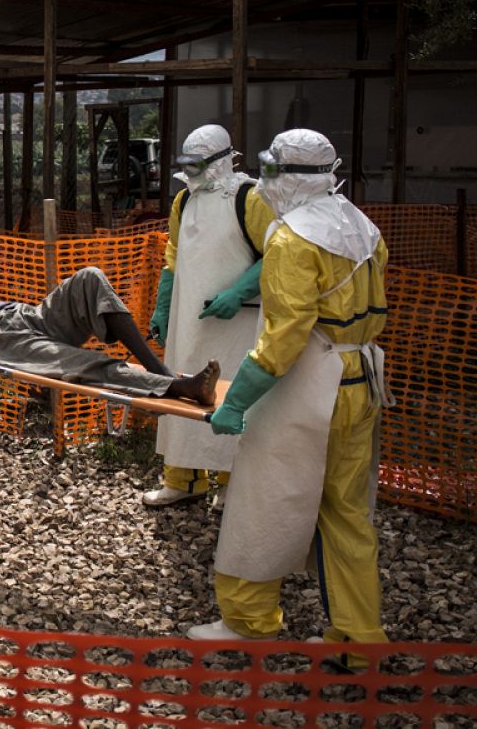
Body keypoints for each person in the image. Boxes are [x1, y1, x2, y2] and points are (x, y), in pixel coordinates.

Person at [187, 128, 390, 663]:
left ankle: (249, 621)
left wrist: (236, 401)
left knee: (263, 500)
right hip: (359, 379)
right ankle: (360, 641)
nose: (265, 181)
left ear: (290, 176)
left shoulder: (293, 239)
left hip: (305, 385)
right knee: (347, 515)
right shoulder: (362, 227)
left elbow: (284, 338)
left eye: (272, 170)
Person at [0, 265, 220, 405]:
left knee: (89, 279)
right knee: (85, 364)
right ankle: (177, 388)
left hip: (21, 315)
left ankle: (157, 366)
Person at [144, 125, 276, 511]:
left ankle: (233, 483)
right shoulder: (184, 200)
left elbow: (277, 252)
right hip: (189, 320)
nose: (191, 171)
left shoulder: (250, 198)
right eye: (187, 163)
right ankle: (182, 479)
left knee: (232, 395)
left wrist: (239, 291)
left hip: (237, 325)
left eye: (198, 164)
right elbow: (173, 254)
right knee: (182, 390)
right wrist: (163, 307)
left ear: (221, 161)